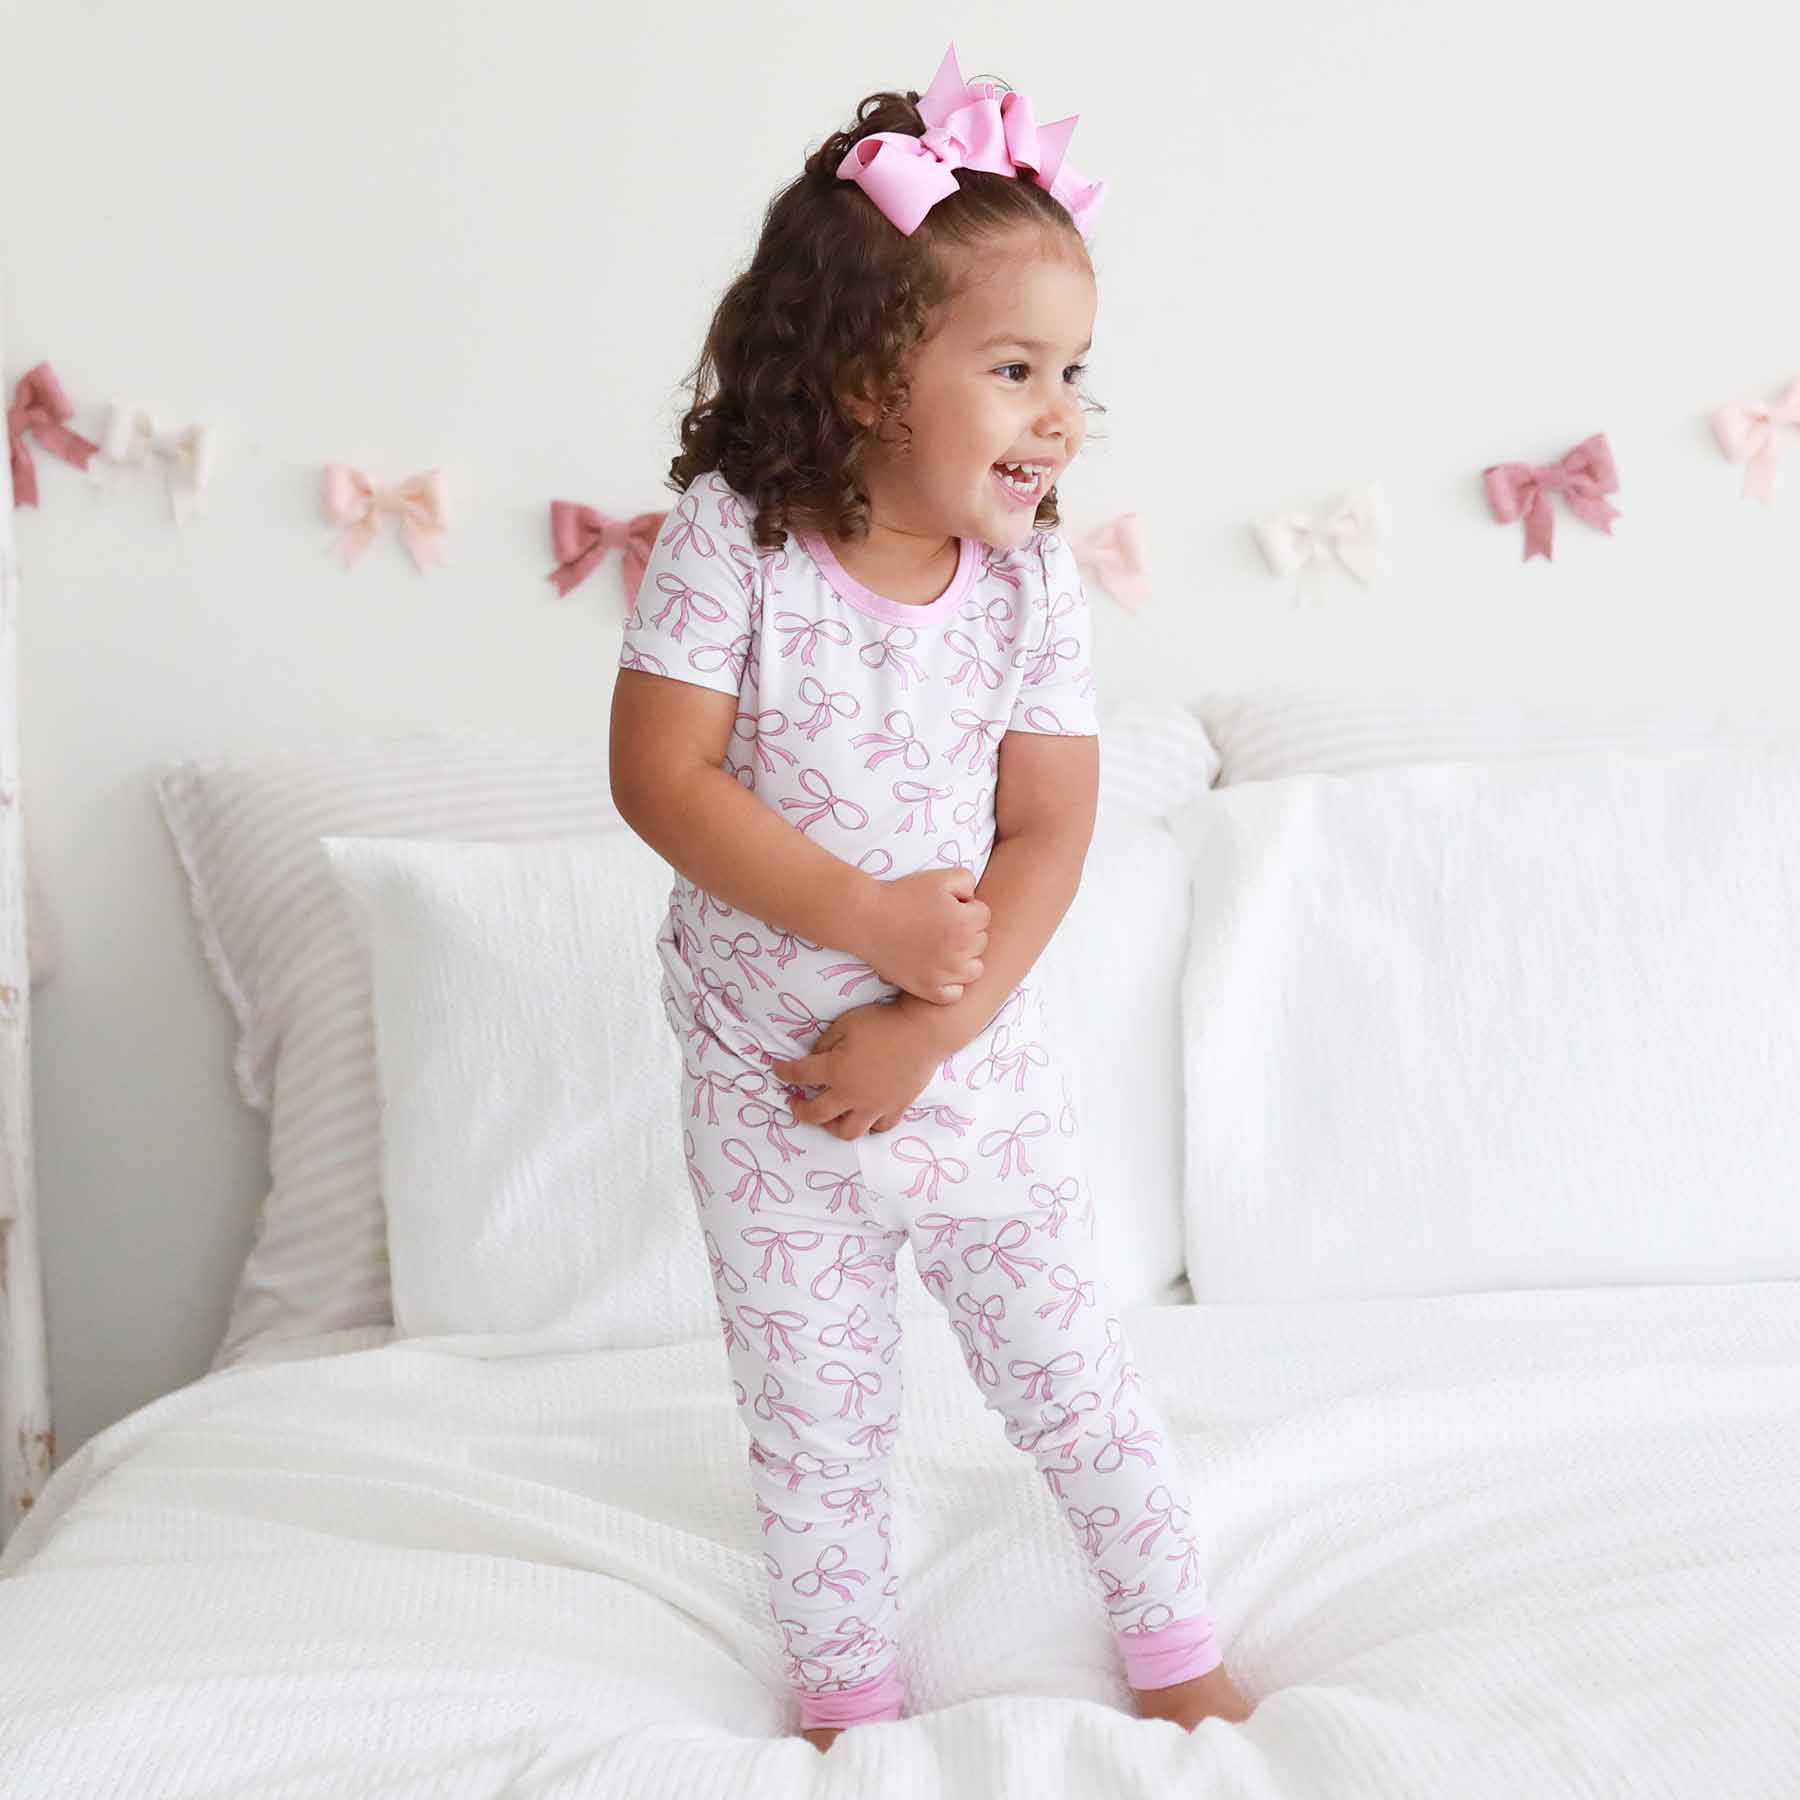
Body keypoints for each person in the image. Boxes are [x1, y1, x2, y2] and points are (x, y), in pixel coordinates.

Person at [608, 40, 1253, 1753]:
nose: (1061, 413)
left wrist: (927, 1021)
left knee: (1075, 1383)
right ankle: (847, 1702)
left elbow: (1049, 827)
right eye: (1016, 368)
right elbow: (662, 779)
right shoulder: (734, 542)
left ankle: (1178, 1650)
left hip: (972, 1084)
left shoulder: (1032, 586)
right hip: (769, 1096)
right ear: (874, 375)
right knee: (815, 1425)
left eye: (1074, 373)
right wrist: (862, 917)